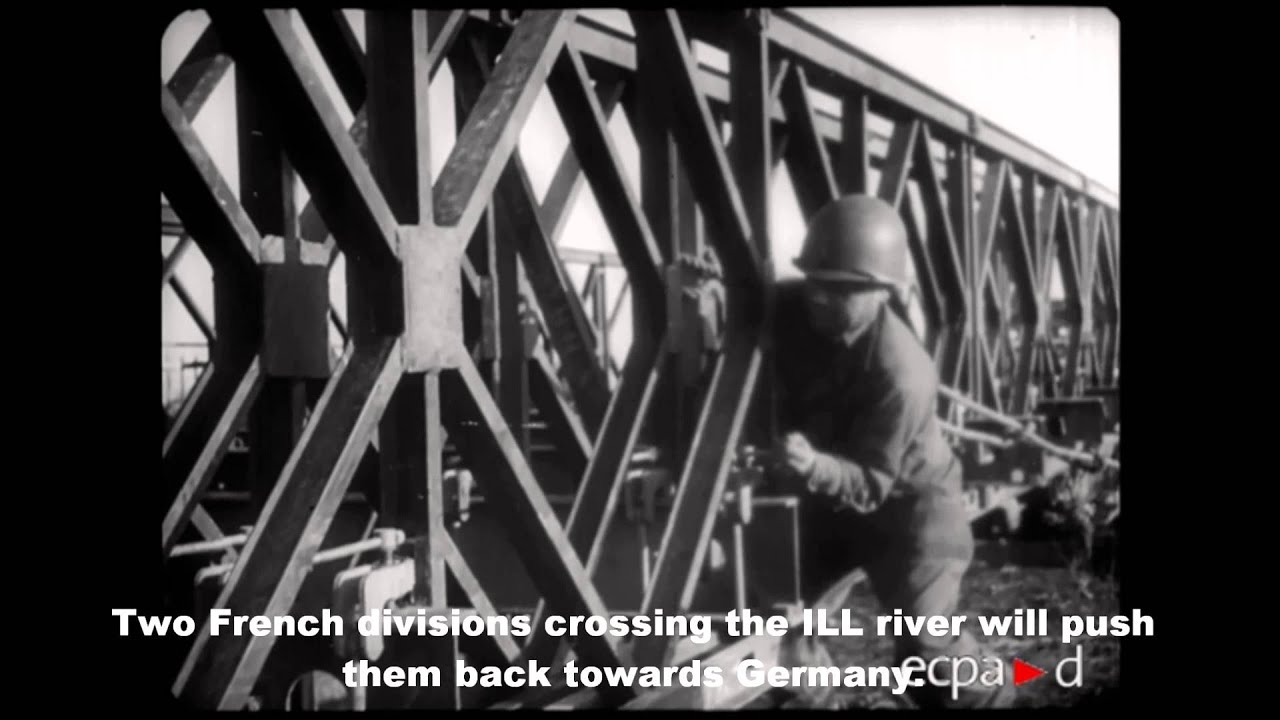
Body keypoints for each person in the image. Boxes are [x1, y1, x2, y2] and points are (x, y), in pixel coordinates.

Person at [770, 194, 1014, 709]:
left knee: (928, 656)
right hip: (835, 510)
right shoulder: (794, 307)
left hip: (913, 518)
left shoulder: (902, 372)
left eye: (840, 290)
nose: (819, 297)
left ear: (882, 292)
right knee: (782, 623)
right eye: (814, 281)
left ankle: (996, 692)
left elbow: (870, 483)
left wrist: (812, 465)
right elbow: (738, 300)